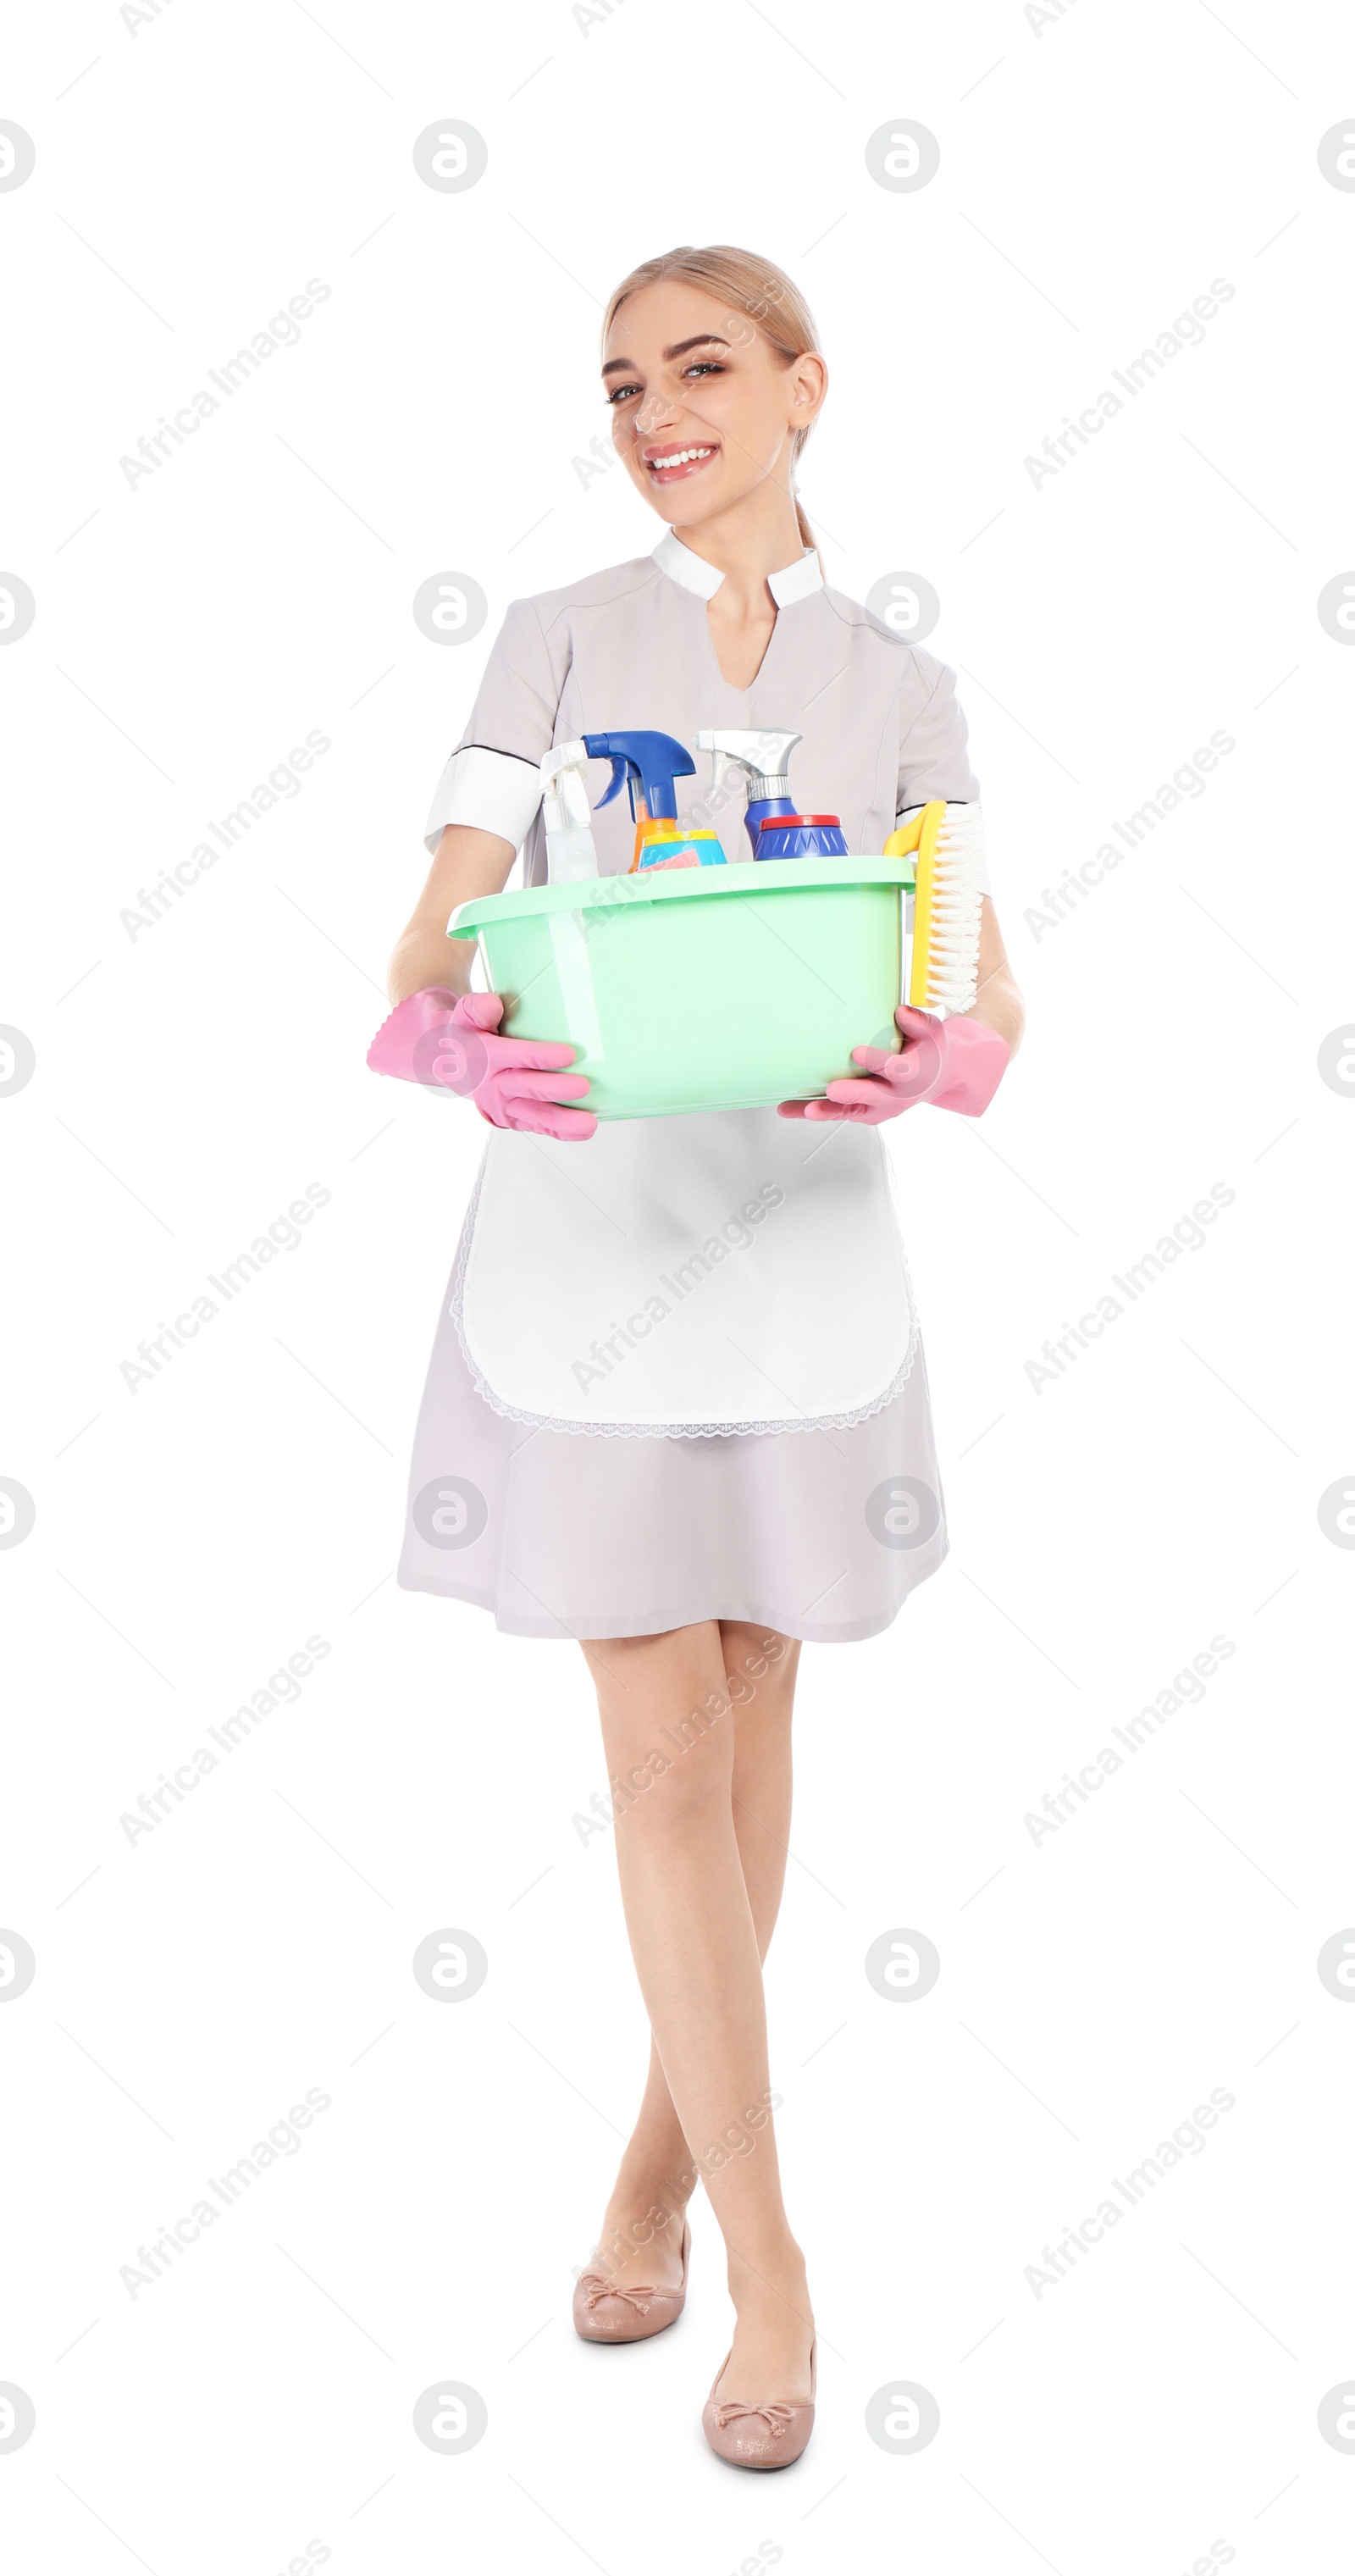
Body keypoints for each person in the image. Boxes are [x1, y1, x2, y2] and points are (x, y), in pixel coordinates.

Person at [371, 243, 1024, 2469]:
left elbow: (973, 982)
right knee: (661, 1751)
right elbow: (435, 925)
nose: (659, 408)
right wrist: (449, 1030)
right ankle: (778, 2261)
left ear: (808, 385)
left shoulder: (900, 683)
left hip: (802, 1253)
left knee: (749, 1722)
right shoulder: (560, 633)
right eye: (627, 379)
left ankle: (649, 2171)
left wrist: (937, 1062)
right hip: (590, 1249)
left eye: (704, 366)